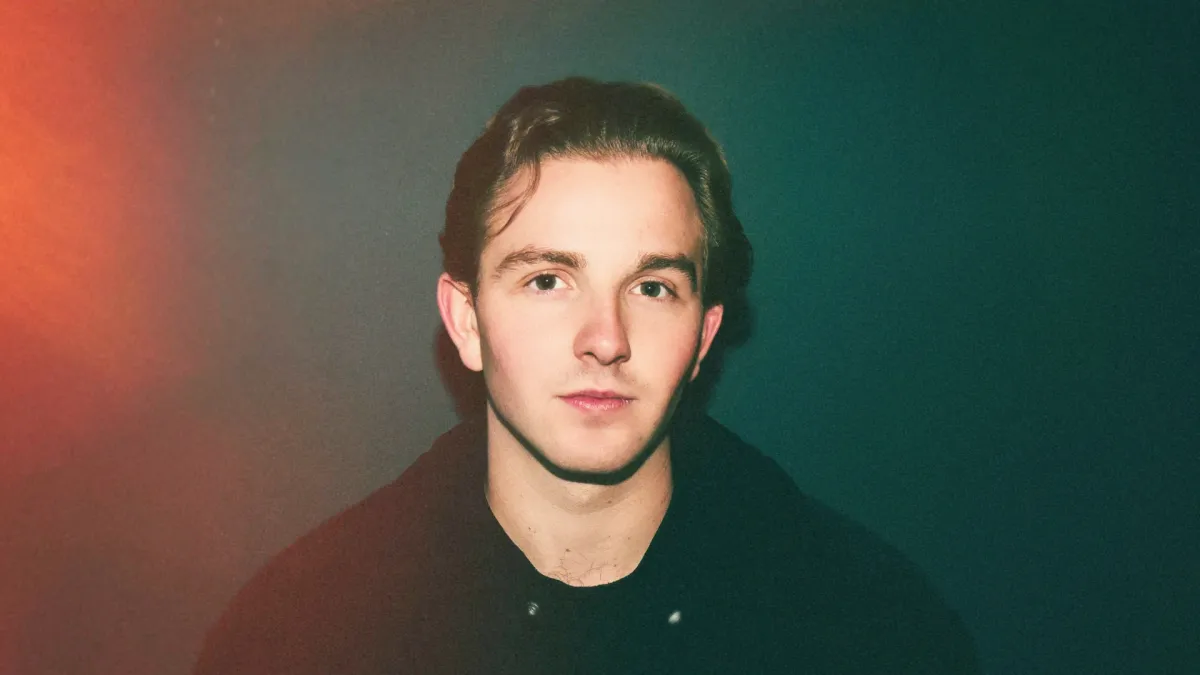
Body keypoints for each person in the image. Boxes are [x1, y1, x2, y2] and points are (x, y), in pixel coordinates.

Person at [193, 77, 980, 674]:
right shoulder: (301, 635)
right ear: (467, 321)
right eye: (548, 280)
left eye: (652, 287)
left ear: (704, 336)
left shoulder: (871, 628)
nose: (606, 339)